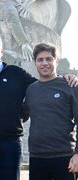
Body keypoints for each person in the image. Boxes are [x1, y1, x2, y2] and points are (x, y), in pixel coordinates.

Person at [0, 31, 78, 180]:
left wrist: (67, 78)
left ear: (1, 51)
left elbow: (44, 83)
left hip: (11, 145)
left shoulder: (17, 73)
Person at [24, 43, 78, 180]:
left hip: (65, 157)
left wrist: (77, 154)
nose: (44, 63)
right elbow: (22, 115)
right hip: (37, 158)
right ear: (35, 62)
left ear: (57, 61)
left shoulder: (70, 85)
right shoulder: (31, 90)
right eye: (40, 60)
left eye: (49, 59)